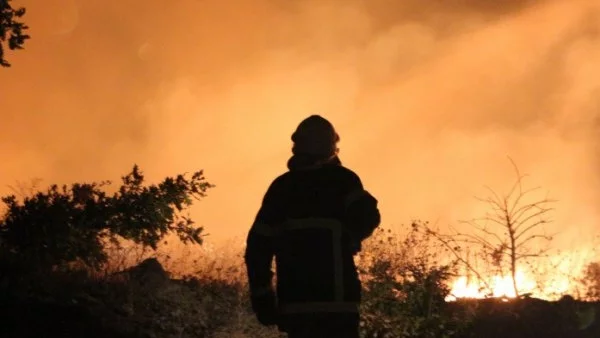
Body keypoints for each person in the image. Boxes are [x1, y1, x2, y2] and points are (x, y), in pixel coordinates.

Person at [244, 115, 381, 338]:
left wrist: (263, 298)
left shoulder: (282, 188)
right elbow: (368, 218)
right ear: (331, 147)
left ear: (297, 147)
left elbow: (257, 248)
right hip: (338, 306)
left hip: (296, 307)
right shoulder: (343, 181)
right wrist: (351, 238)